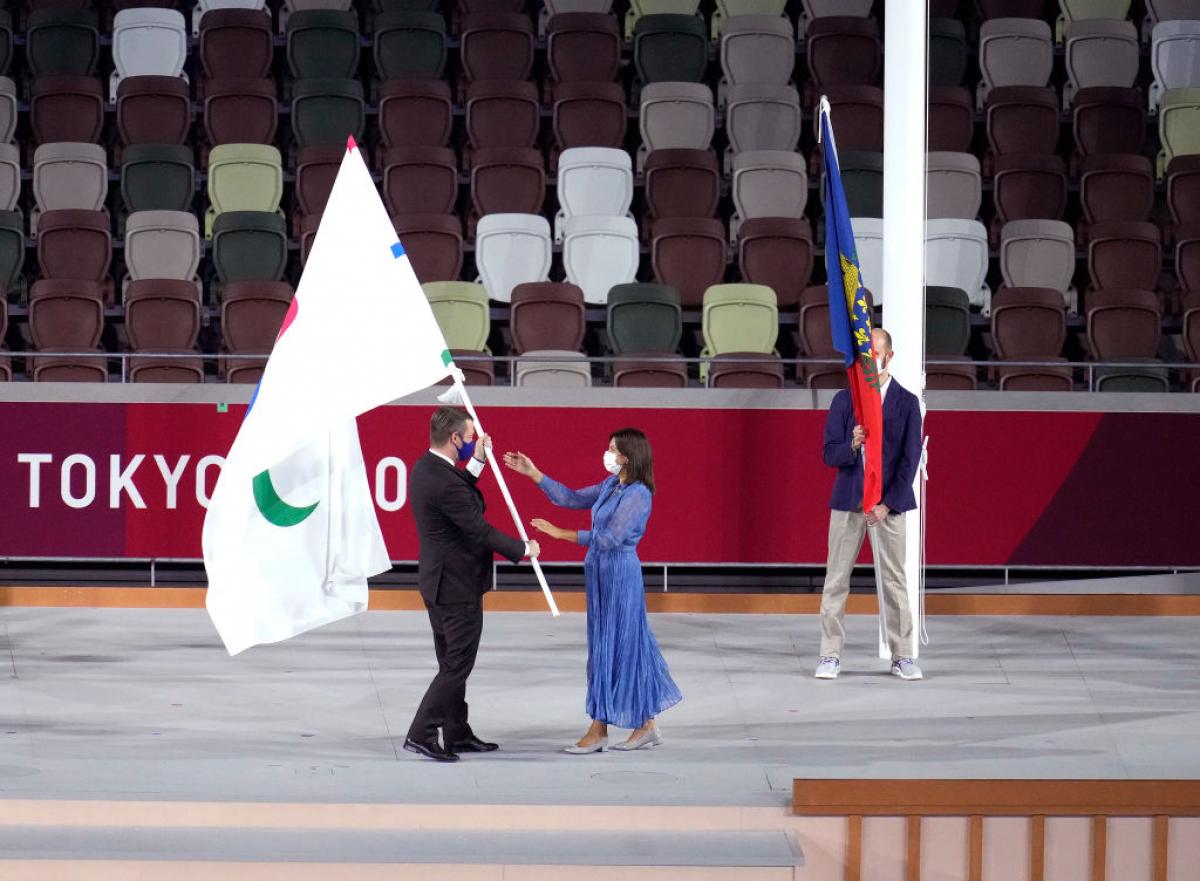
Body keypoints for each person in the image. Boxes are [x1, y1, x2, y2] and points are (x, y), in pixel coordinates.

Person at [503, 429, 681, 753]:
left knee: (615, 648)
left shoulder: (638, 494)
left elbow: (610, 539)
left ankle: (599, 729)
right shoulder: (612, 485)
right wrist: (534, 474)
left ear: (628, 455)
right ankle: (646, 724)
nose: (607, 453)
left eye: (613, 449)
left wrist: (560, 534)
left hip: (619, 574)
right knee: (617, 646)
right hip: (598, 572)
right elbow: (570, 498)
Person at [404, 406, 541, 762]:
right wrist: (522, 548)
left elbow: (460, 493)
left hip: (439, 582)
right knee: (456, 665)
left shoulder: (427, 468)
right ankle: (422, 733)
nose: (472, 441)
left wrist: (477, 461)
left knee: (451, 662)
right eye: (468, 438)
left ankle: (456, 732)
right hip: (455, 587)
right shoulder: (442, 480)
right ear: (454, 438)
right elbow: (477, 528)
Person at [815, 327, 924, 682]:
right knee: (835, 580)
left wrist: (887, 503)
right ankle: (829, 654)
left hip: (888, 507)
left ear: (888, 356)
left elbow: (909, 461)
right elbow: (829, 453)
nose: (868, 361)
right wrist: (852, 445)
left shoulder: (907, 403)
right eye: (863, 355)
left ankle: (903, 655)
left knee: (895, 581)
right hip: (848, 502)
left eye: (874, 354)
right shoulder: (844, 401)